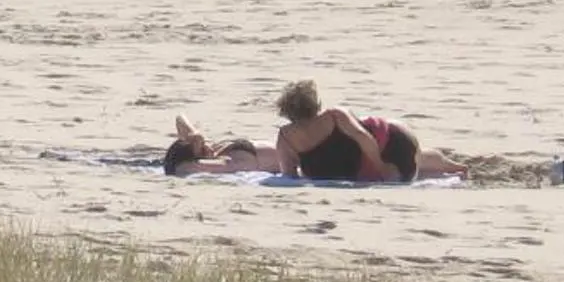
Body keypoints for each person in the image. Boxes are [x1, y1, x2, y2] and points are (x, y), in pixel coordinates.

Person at [272, 79, 467, 182]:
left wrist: (380, 166)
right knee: (418, 159)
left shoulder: (287, 138)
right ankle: (453, 166)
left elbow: (363, 137)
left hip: (392, 143)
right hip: (388, 144)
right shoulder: (333, 116)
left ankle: (453, 166)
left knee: (409, 164)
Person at [162, 117, 281, 176]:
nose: (208, 147)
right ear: (198, 161)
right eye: (203, 149)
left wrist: (196, 136)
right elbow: (181, 168)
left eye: (204, 143)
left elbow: (180, 118)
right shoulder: (226, 163)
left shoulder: (214, 151)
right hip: (295, 157)